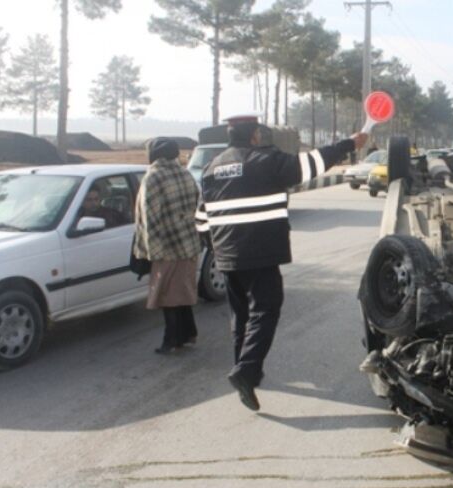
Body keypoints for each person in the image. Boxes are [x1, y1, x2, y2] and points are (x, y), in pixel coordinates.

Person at [197, 116, 368, 411]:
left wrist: (216, 247)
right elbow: (313, 163)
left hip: (226, 255)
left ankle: (247, 373)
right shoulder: (266, 159)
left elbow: (201, 220)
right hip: (260, 253)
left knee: (240, 317)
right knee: (266, 309)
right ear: (254, 136)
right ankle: (246, 371)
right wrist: (351, 143)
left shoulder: (212, 168)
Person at [133, 138, 201, 354]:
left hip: (166, 247)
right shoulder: (185, 173)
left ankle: (171, 340)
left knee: (167, 295)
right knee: (182, 292)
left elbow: (149, 218)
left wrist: (150, 253)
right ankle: (188, 334)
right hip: (189, 243)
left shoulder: (153, 177)